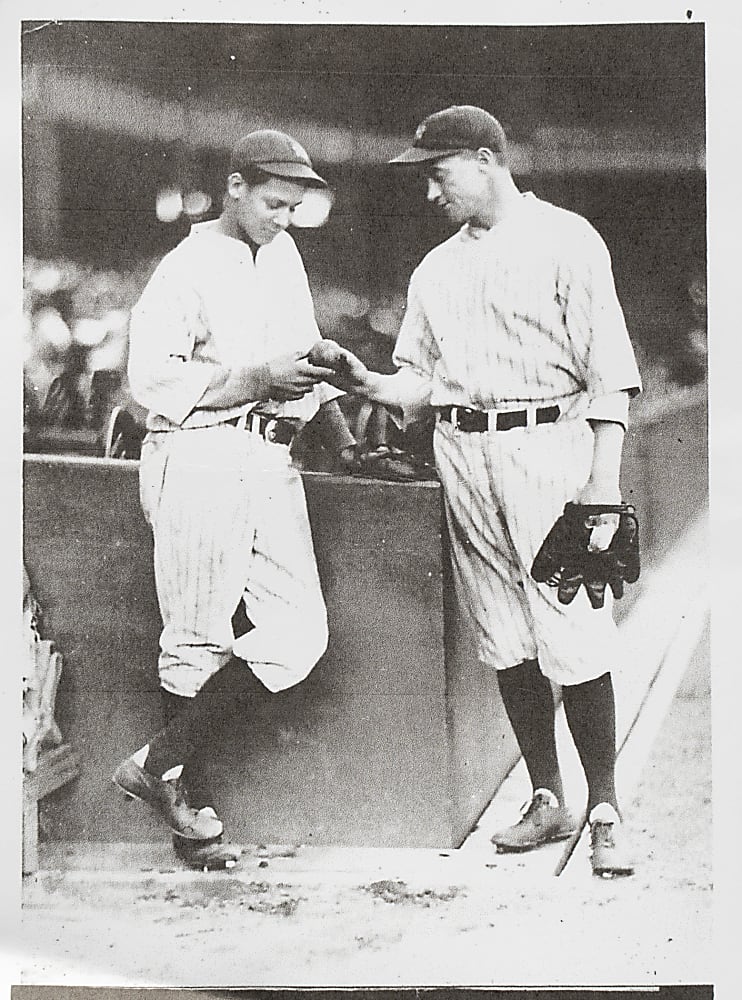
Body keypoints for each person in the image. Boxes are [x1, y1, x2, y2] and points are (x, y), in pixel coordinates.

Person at [330, 106, 642, 877]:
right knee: (505, 635)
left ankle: (603, 803)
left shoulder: (567, 238)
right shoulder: (435, 268)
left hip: (549, 444)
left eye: (438, 173)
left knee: (573, 628)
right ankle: (546, 795)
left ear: (484, 158)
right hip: (463, 448)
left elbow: (610, 375)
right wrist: (370, 381)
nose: (430, 190)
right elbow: (422, 380)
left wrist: (602, 483)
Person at [111, 129, 357, 870]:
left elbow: (304, 351)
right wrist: (255, 380)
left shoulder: (283, 254)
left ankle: (158, 762)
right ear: (236, 186)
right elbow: (151, 381)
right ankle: (195, 822)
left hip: (271, 453)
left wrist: (342, 434)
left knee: (298, 631)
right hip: (200, 454)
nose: (285, 218)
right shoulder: (183, 267)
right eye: (275, 202)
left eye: (294, 206)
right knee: (195, 639)